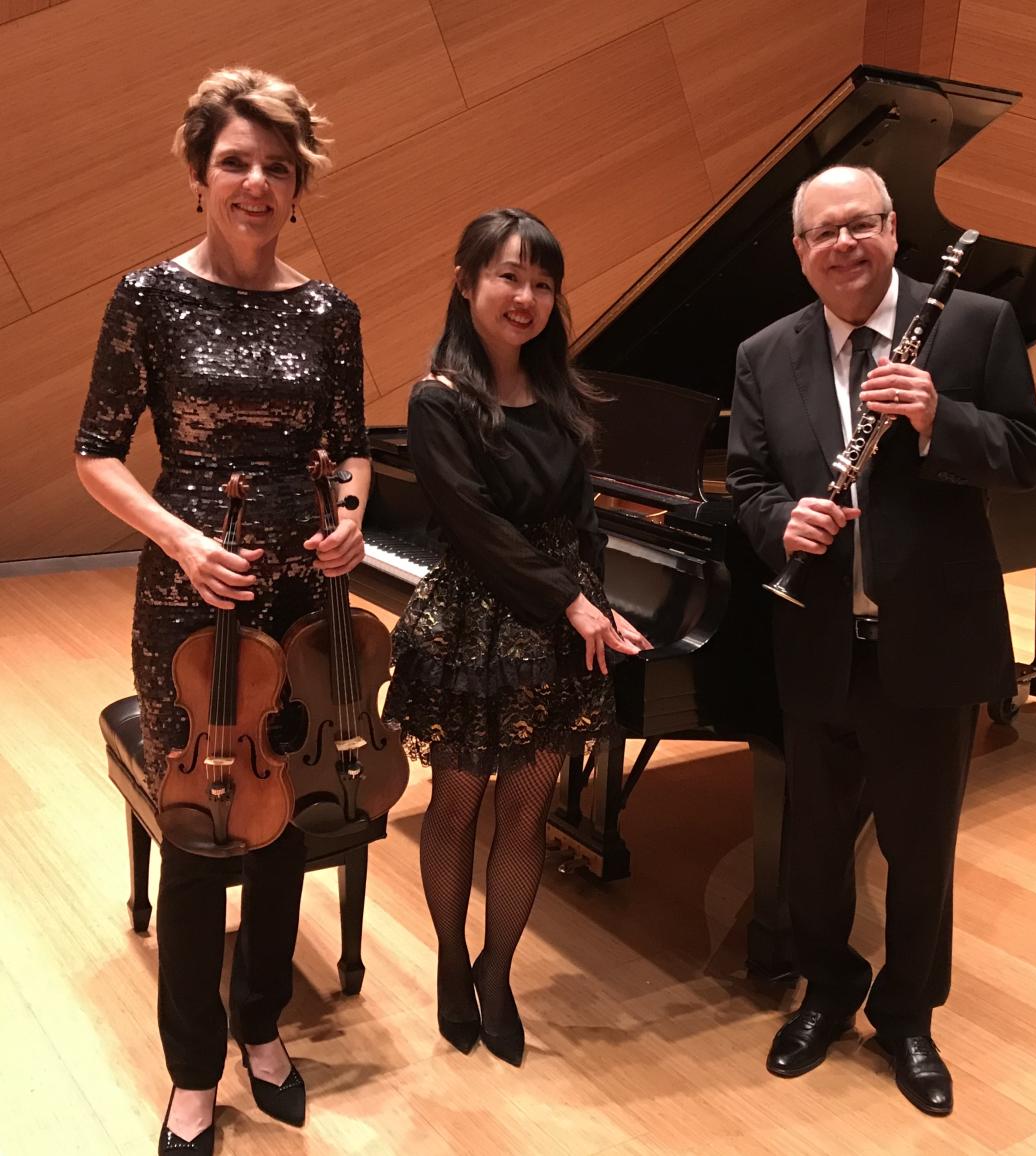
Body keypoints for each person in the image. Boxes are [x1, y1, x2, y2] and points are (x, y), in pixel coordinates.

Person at [74, 67, 370, 1154]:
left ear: (298, 188)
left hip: (298, 585)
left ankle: (261, 1025)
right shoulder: (147, 296)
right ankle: (192, 1070)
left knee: (284, 804)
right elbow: (95, 450)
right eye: (235, 162)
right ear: (199, 177)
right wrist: (184, 539)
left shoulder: (328, 309)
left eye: (277, 167)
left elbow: (351, 449)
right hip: (188, 589)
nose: (256, 182)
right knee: (202, 821)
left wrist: (346, 522)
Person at [726, 165, 1036, 1116]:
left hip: (932, 637)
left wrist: (936, 419)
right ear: (800, 251)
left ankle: (907, 1014)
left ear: (893, 228)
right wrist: (781, 521)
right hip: (820, 637)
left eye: (860, 224)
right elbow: (747, 483)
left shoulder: (975, 323)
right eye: (822, 232)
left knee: (920, 847)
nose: (843, 245)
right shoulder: (763, 353)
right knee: (818, 845)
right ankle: (829, 989)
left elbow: (1029, 453)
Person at [382, 208, 649, 1067]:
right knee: (456, 807)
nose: (525, 296)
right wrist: (572, 603)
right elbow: (479, 527)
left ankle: (497, 975)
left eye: (541, 282)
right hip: (473, 626)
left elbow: (582, 524)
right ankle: (452, 964)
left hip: (555, 626)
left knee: (526, 813)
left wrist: (601, 603)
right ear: (467, 284)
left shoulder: (562, 397)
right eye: (508, 276)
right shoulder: (439, 400)